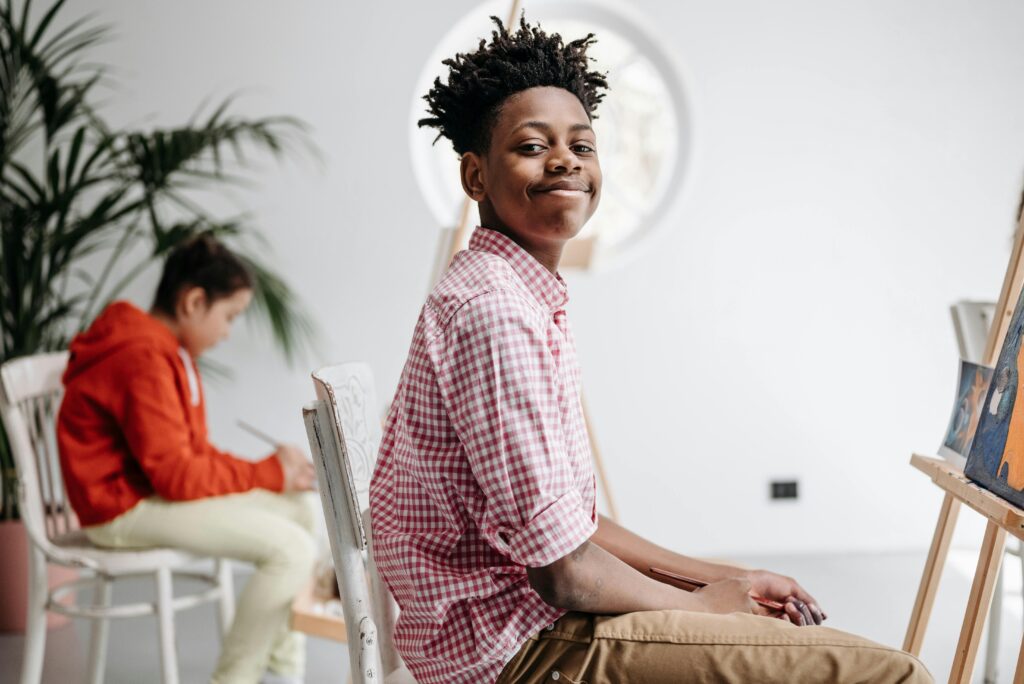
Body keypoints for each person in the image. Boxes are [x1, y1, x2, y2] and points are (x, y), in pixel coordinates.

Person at [368, 17, 932, 684]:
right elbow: (564, 571)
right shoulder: (494, 313)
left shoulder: (513, 294)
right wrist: (705, 609)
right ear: (475, 176)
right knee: (893, 674)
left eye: (582, 145)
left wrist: (727, 579)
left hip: (525, 629)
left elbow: (571, 527)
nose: (565, 161)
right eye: (531, 145)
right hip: (518, 655)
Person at [57, 234, 317, 684]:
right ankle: (235, 678)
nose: (228, 331)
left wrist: (273, 474)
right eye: (229, 316)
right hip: (120, 509)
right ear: (194, 301)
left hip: (147, 494)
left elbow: (189, 455)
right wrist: (269, 471)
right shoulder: (145, 357)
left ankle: (281, 667)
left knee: (302, 510)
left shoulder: (168, 351)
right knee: (291, 549)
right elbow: (177, 475)